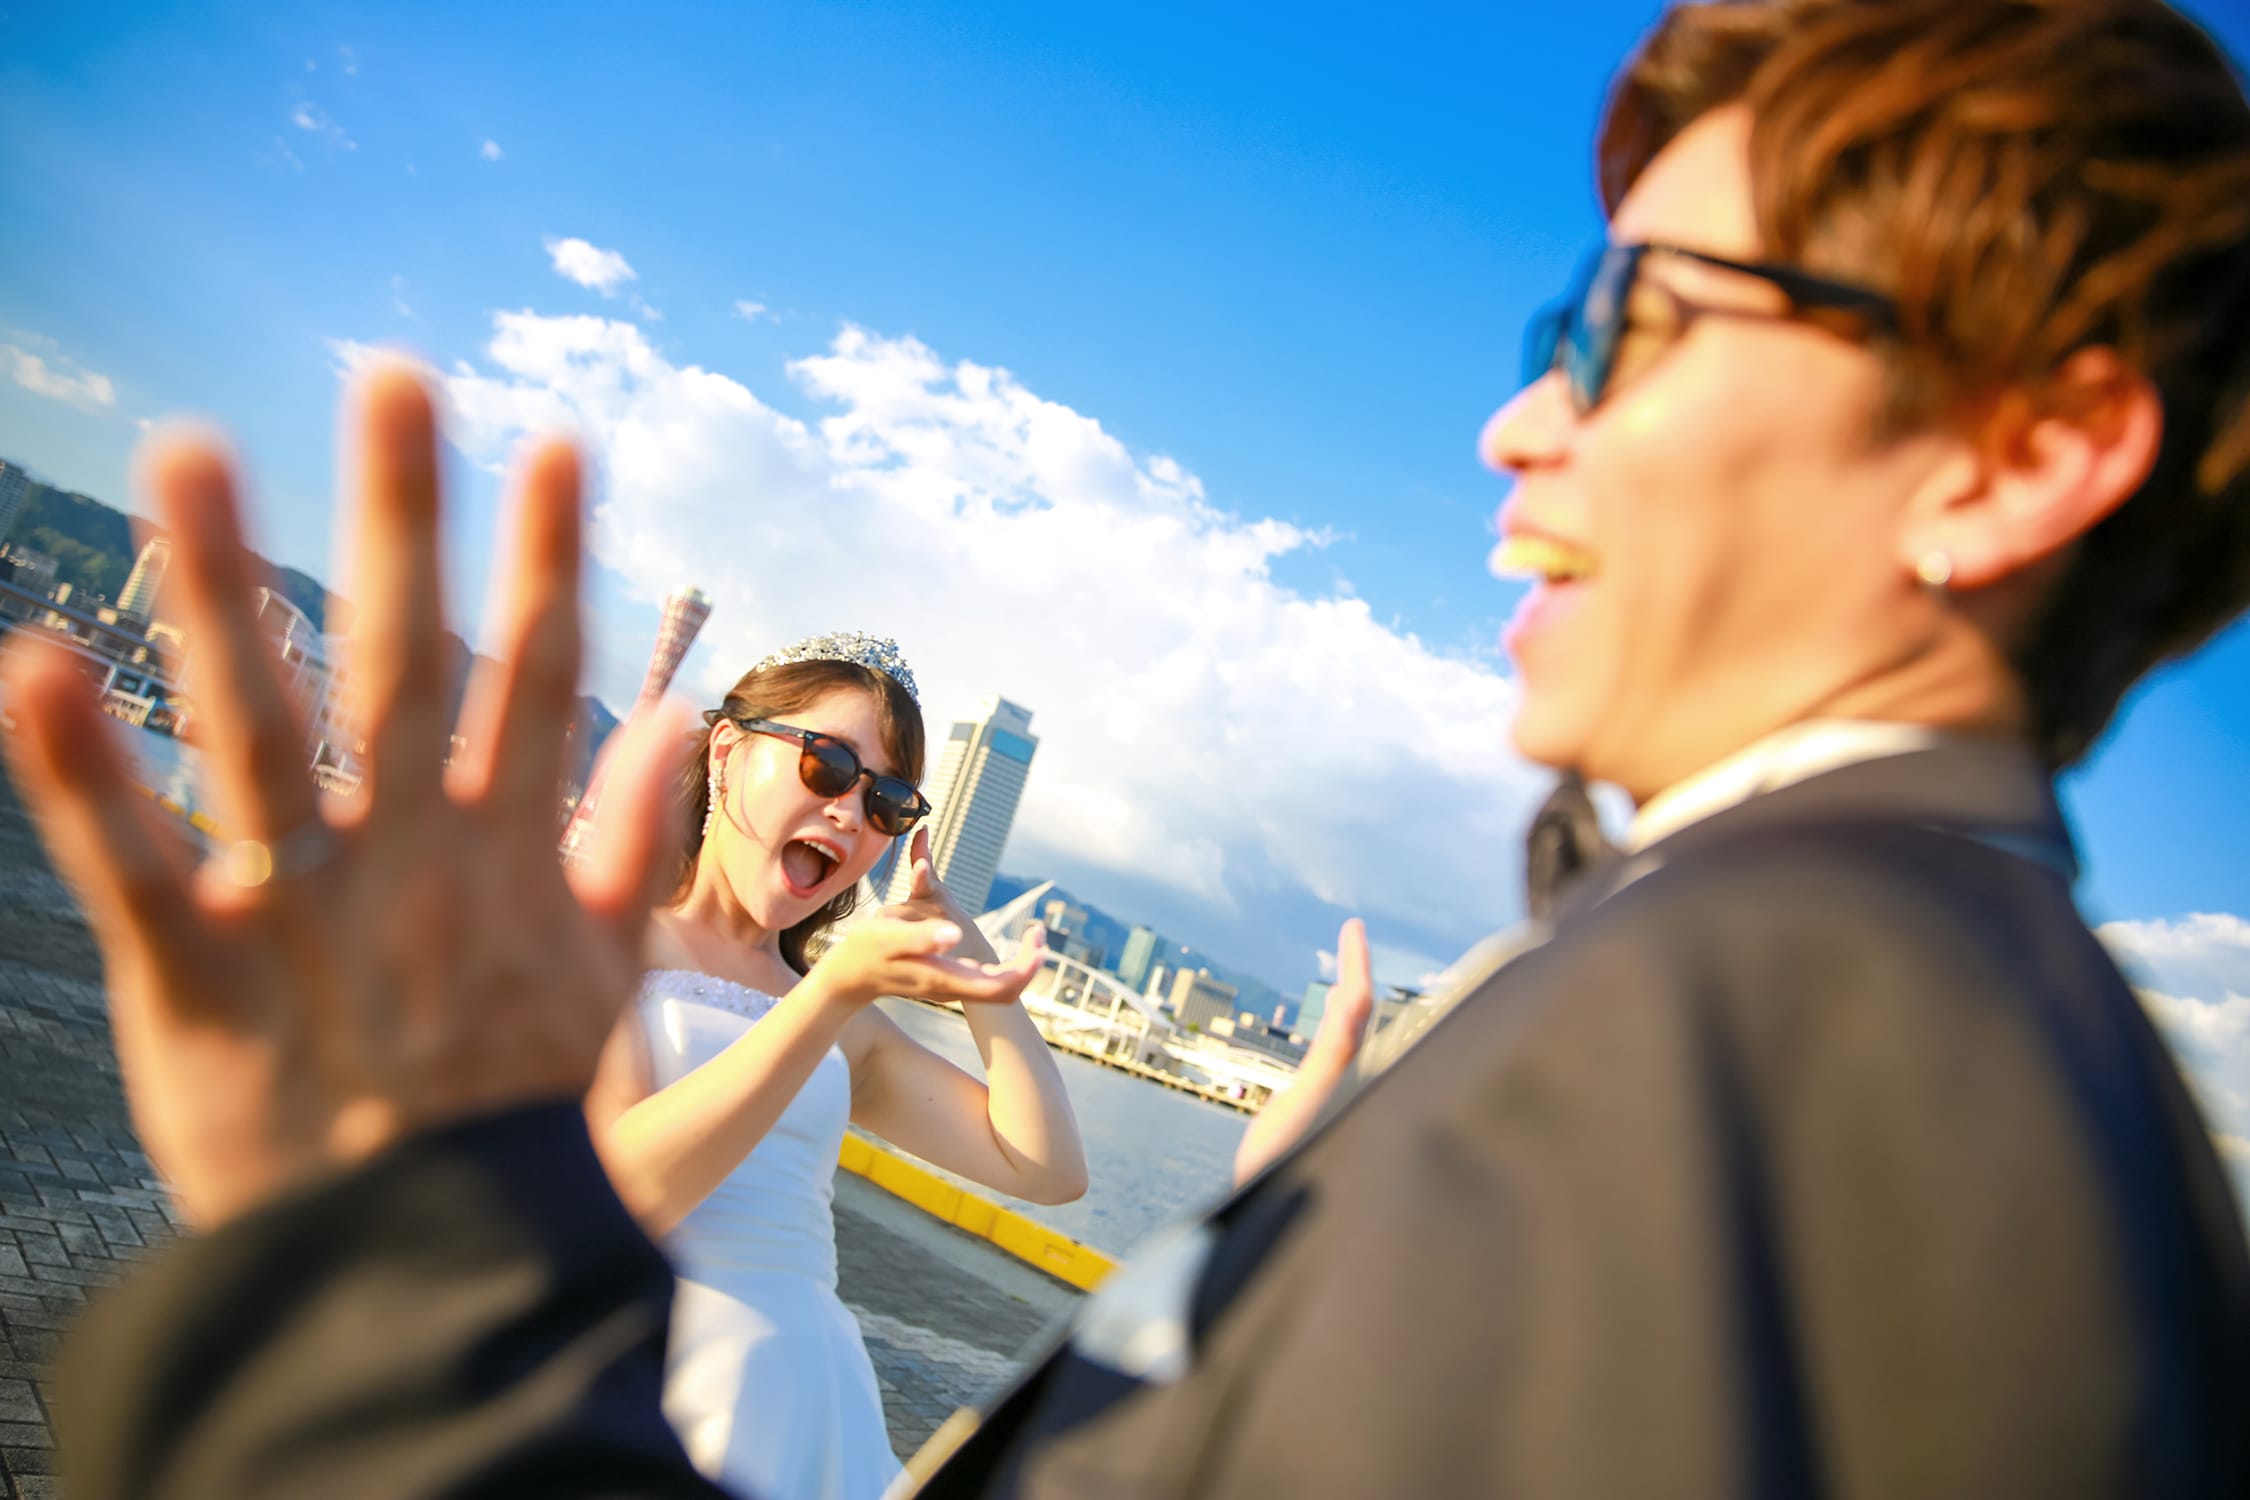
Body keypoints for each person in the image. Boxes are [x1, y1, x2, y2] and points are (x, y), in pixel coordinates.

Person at [8, 0, 2250, 1495]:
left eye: (1636, 323)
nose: (1518, 420)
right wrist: (1300, 1199)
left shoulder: (1780, 1051)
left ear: (2020, 454)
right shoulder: (1851, 1034)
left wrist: (361, 1285)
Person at [588, 639, 1086, 1500]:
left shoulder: (842, 1016)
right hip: (655, 1384)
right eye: (828, 764)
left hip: (813, 1403)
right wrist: (830, 996)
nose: (852, 813)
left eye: (888, 802)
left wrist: (980, 972)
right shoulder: (602, 944)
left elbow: (1046, 1168)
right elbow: (624, 1194)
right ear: (728, 752)